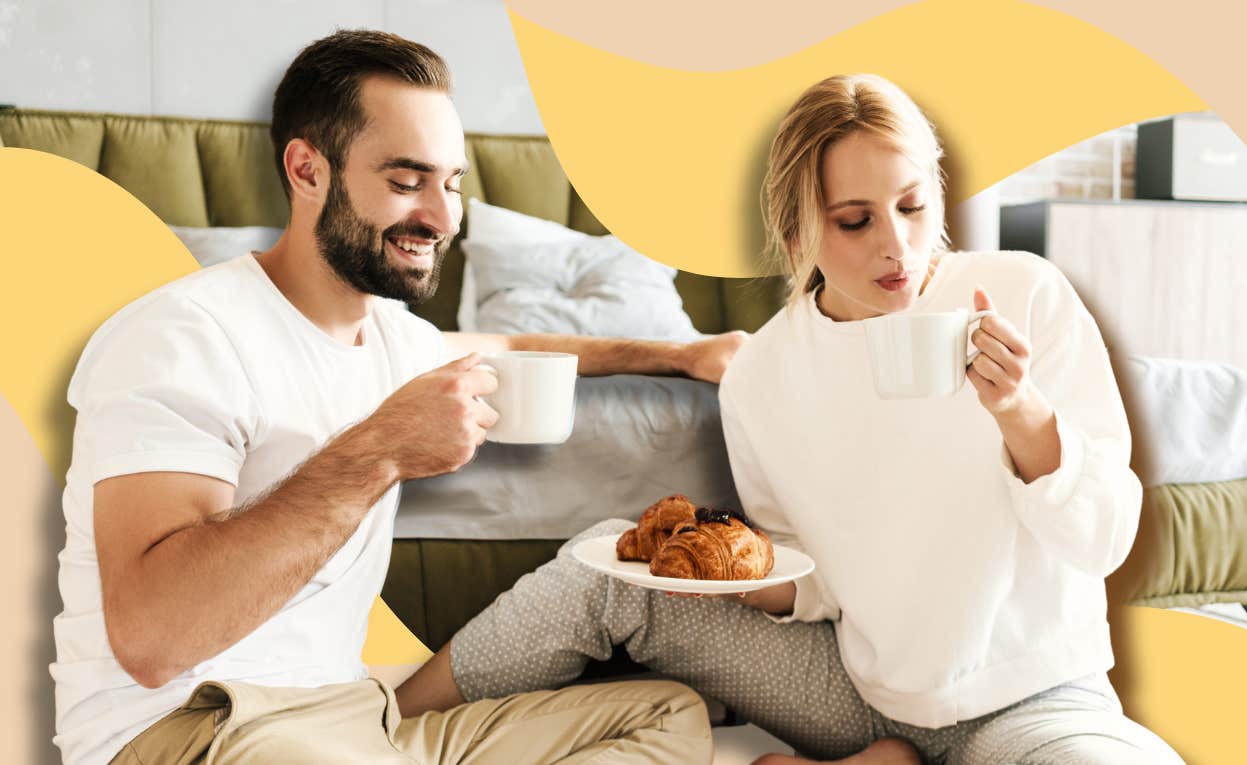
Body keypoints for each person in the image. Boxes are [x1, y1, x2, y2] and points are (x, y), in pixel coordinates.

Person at [398, 75, 1186, 764]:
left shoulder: (1024, 295)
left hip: (1033, 702)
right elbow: (815, 581)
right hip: (854, 693)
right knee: (601, 568)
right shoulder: (764, 373)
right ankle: (386, 721)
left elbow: (1104, 539)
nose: (897, 247)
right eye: (855, 220)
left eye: (912, 206)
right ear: (797, 228)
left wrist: (1021, 411)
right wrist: (730, 575)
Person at [50, 30, 740, 765]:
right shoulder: (182, 336)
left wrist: (682, 354)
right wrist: (379, 449)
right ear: (307, 169)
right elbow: (152, 640)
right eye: (408, 182)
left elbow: (506, 347)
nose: (443, 220)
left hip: (353, 716)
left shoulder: (392, 338)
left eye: (451, 183)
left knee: (669, 714)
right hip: (196, 728)